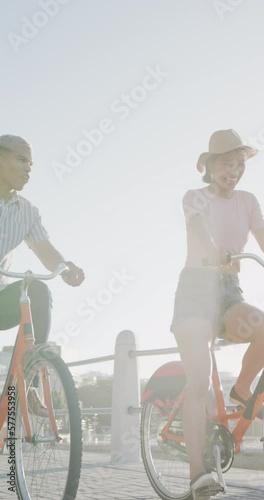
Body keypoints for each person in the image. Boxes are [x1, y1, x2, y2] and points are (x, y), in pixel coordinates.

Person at [170, 129, 264, 500]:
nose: (235, 170)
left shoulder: (248, 200)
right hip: (195, 289)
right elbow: (199, 228)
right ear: (210, 166)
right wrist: (213, 252)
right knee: (198, 381)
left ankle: (241, 391)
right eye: (227, 163)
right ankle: (198, 475)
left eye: (240, 164)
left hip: (228, 294)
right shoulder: (195, 197)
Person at [0, 134, 85, 410]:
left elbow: (45, 250)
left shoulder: (27, 211)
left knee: (37, 289)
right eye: (21, 159)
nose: (28, 169)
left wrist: (65, 267)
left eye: (32, 164)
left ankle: (29, 383)